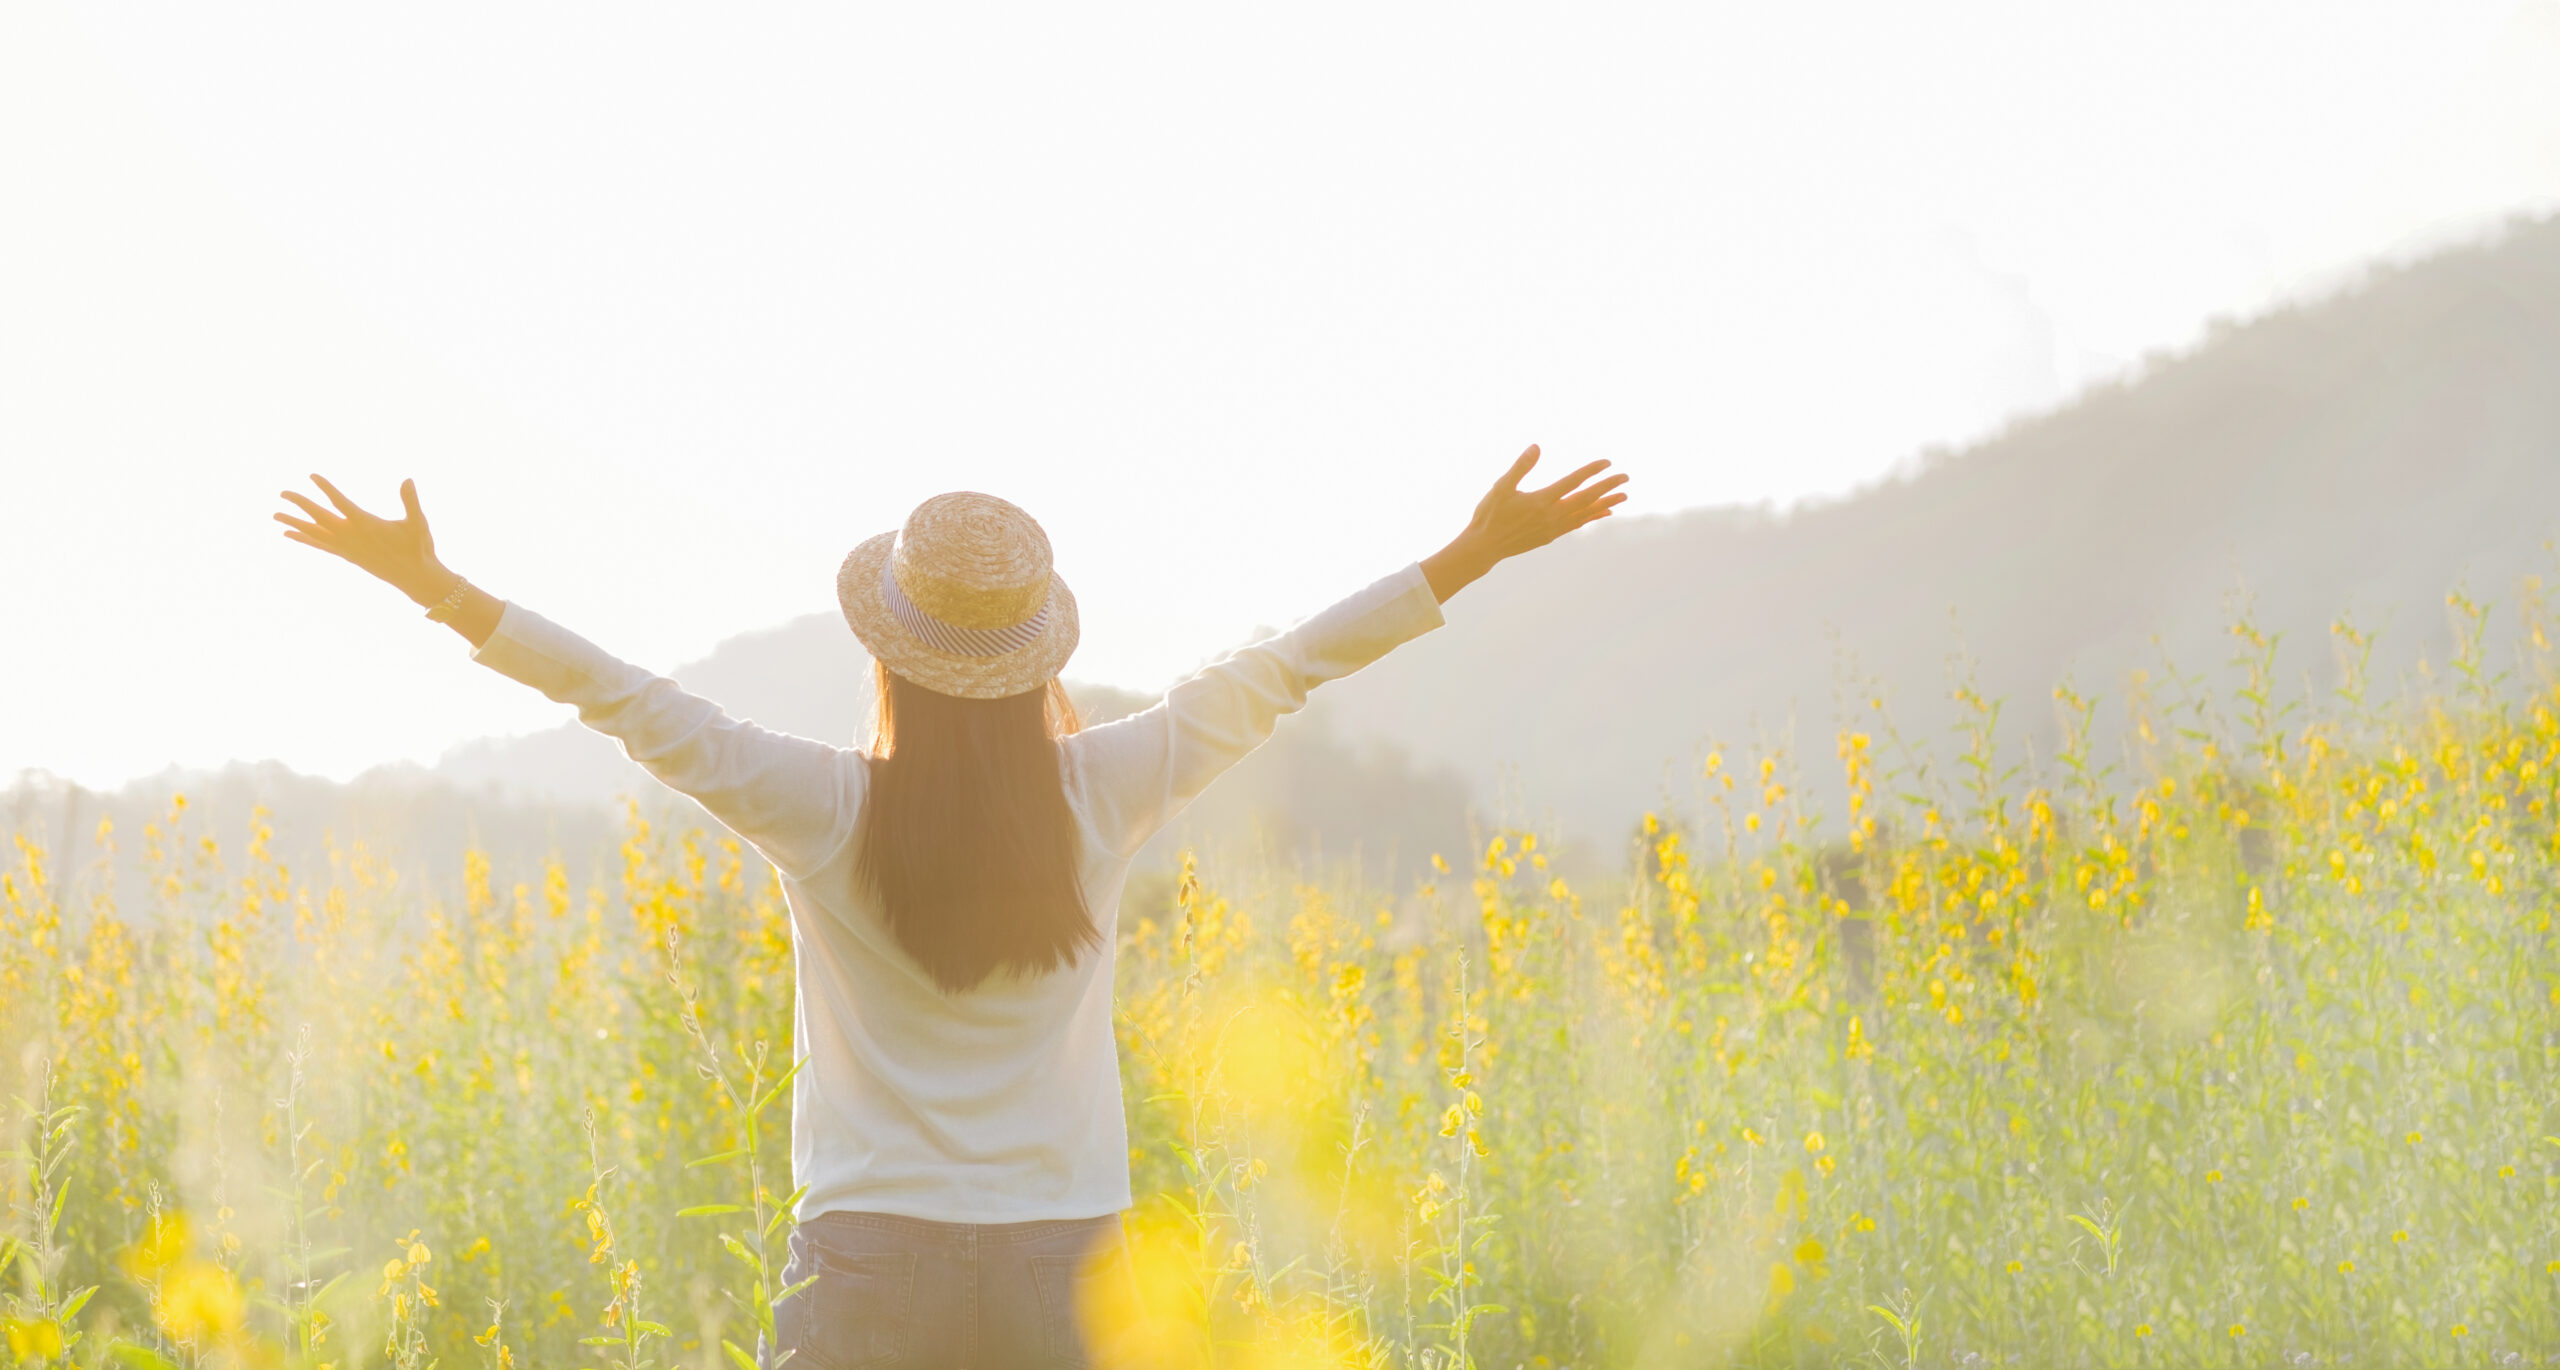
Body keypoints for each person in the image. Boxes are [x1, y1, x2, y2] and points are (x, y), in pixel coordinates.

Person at [272, 446, 1628, 1368]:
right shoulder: (1108, 784)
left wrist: (437, 586)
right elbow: (1283, 670)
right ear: (1038, 652)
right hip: (1070, 1270)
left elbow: (626, 698)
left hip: (864, 1268)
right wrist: (1468, 553)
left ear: (890, 648)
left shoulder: (818, 802)